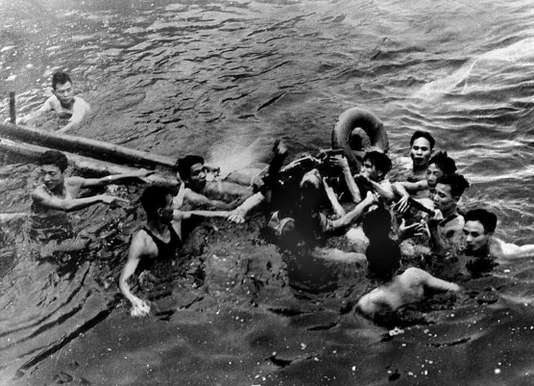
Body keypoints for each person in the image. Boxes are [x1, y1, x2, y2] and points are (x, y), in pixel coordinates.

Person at [356, 208, 460, 321]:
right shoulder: (414, 275)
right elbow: (454, 288)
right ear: (399, 263)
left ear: (369, 268)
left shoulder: (369, 301)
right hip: (425, 317)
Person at [31, 150, 146, 215]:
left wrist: (132, 174)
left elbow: (102, 181)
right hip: (41, 228)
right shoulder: (39, 193)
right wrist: (100, 197)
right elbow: (65, 205)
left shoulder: (72, 183)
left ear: (63, 172)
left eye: (51, 173)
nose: (46, 178)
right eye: (43, 173)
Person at [18, 71, 91, 133]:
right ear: (54, 92)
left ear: (73, 88)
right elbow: (39, 113)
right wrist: (22, 119)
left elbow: (74, 124)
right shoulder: (52, 101)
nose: (66, 95)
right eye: (61, 92)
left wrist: (56, 134)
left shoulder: (80, 105)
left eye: (69, 90)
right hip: (64, 118)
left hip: (86, 124)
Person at [174, 155, 253, 210]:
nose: (202, 175)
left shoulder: (215, 188)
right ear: (186, 179)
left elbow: (229, 207)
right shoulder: (189, 192)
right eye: (196, 173)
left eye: (203, 170)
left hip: (230, 189)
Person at [463, 208, 534, 265]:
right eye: (466, 232)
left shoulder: (505, 253)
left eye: (475, 234)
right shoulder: (458, 234)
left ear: (489, 234)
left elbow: (526, 250)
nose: (467, 239)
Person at [427, 173, 470, 255]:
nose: (435, 198)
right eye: (435, 192)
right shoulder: (439, 212)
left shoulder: (458, 226)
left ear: (455, 199)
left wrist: (433, 229)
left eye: (441, 195)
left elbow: (448, 256)